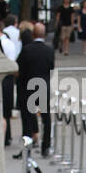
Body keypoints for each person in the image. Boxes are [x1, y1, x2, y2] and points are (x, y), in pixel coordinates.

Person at [15, 22, 55, 157]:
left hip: (28, 87)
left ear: (33, 34)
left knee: (27, 120)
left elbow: (20, 68)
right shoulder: (49, 50)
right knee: (46, 119)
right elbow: (51, 68)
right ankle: (46, 146)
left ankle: (27, 147)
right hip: (43, 86)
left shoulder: (27, 50)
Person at [0, 15, 21, 147]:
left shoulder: (2, 43)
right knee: (7, 109)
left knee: (3, 109)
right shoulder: (8, 42)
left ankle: (6, 136)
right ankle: (7, 136)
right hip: (9, 77)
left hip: (4, 78)